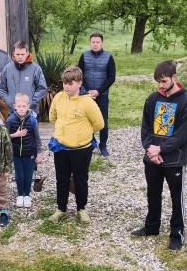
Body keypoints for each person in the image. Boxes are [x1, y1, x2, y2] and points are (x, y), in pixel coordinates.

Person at [131, 60, 187, 251]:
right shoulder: (153, 99)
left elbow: (182, 135)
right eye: (158, 81)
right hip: (152, 157)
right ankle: (152, 227)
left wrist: (160, 149)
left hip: (174, 160)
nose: (160, 85)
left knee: (177, 198)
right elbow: (146, 127)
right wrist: (150, 149)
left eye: (164, 81)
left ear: (174, 77)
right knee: (153, 193)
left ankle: (177, 234)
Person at [48, 66, 105, 224]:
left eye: (70, 83)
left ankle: (82, 209)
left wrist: (82, 133)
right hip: (61, 147)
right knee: (61, 179)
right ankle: (61, 209)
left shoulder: (87, 102)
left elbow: (99, 124)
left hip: (81, 149)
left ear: (79, 83)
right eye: (64, 83)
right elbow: (52, 117)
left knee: (81, 179)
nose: (66, 86)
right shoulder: (59, 97)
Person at [78, 32, 116, 157]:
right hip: (86, 95)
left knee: (103, 121)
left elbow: (111, 77)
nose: (95, 44)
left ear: (102, 43)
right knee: (87, 120)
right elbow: (79, 75)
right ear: (90, 43)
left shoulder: (108, 57)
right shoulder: (84, 56)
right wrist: (87, 91)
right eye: (93, 42)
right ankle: (91, 143)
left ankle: (103, 145)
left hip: (102, 95)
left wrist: (99, 91)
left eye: (97, 42)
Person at [6, 93, 42, 208]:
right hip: (16, 154)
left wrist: (39, 154)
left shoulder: (33, 121)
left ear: (28, 107)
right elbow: (4, 137)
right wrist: (15, 135)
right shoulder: (10, 120)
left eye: (24, 106)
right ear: (15, 106)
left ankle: (27, 195)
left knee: (28, 175)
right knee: (19, 176)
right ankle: (20, 195)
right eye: (19, 106)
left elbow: (37, 139)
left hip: (29, 154)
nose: (21, 109)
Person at [0, 41, 48, 114]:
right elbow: (2, 89)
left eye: (22, 54)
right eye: (17, 54)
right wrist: (9, 101)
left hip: (31, 112)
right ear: (13, 54)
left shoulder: (36, 68)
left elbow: (42, 88)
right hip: (13, 112)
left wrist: (31, 103)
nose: (20, 57)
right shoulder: (7, 69)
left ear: (27, 53)